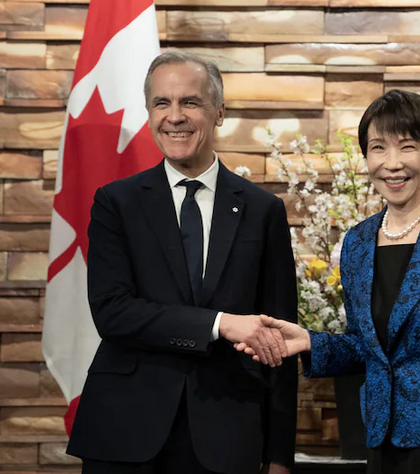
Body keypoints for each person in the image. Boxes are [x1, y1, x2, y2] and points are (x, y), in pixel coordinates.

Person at [239, 90, 420, 473]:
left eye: (407, 147)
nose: (392, 163)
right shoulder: (358, 242)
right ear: (367, 157)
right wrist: (310, 342)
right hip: (383, 443)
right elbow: (368, 348)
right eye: (378, 148)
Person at [67, 50, 298, 474]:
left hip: (227, 434)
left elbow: (279, 338)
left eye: (190, 102)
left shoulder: (263, 211)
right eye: (162, 103)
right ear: (149, 113)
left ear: (219, 112)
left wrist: (280, 455)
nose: (175, 117)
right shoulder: (116, 203)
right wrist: (221, 324)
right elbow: (113, 312)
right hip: (125, 431)